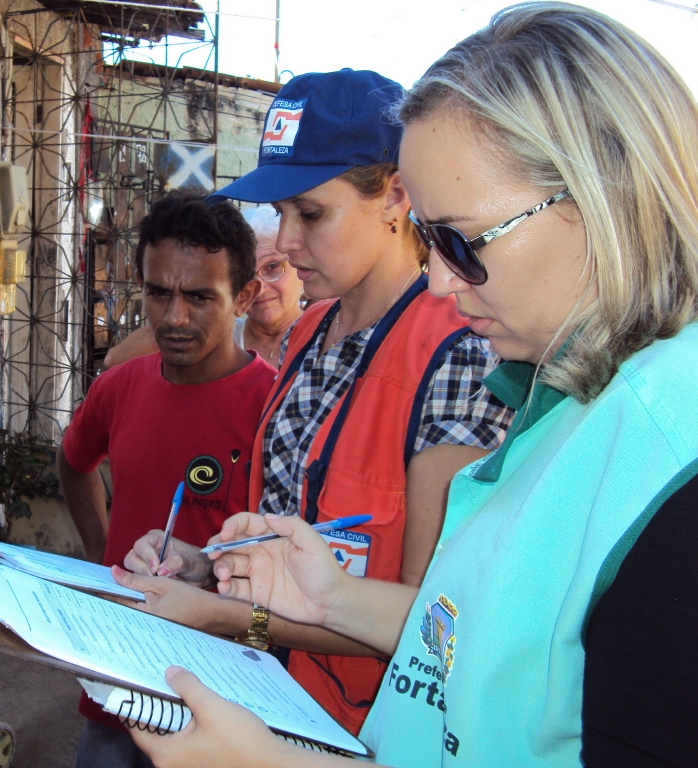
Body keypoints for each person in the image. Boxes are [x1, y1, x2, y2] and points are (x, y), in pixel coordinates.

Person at [125, 4, 698, 767]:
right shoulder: (568, 399)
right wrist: (329, 596)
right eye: (433, 241)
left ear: (601, 198)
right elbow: (481, 638)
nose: (439, 279)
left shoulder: (669, 464)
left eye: (460, 239)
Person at [117, 68, 512, 735]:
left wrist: (224, 615)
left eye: (310, 213)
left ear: (395, 196)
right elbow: (288, 537)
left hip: (363, 730)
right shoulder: (306, 332)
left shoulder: (459, 355)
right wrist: (205, 568)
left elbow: (426, 620)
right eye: (280, 213)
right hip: (267, 698)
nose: (286, 240)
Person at [57, 187, 277, 768]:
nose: (174, 317)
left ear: (244, 297)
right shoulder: (117, 388)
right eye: (159, 293)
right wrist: (99, 555)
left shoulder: (274, 408)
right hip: (117, 680)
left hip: (225, 696)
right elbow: (73, 463)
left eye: (200, 297)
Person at [103, 206, 303, 370]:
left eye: (273, 267)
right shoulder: (213, 335)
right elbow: (113, 361)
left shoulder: (320, 341)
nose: (262, 288)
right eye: (247, 274)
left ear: (299, 266)